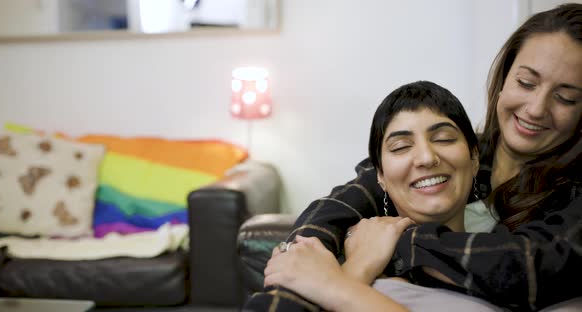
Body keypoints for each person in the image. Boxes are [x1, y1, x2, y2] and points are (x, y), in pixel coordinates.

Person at [244, 3, 582, 311]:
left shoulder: (570, 194)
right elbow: (337, 209)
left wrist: (395, 243)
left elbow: (527, 269)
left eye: (566, 98)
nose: (536, 109)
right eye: (526, 82)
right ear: (504, 79)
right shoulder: (461, 155)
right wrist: (301, 260)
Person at [259, 80, 511, 312]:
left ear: (475, 158)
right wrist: (357, 267)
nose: (426, 158)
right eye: (401, 147)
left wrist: (344, 280)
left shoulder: (511, 247)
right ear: (380, 175)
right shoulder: (344, 252)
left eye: (444, 139)